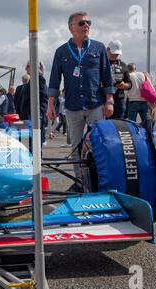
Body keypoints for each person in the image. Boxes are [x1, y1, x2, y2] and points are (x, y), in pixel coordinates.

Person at [47, 11, 114, 192]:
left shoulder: (98, 48)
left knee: (98, 143)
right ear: (71, 28)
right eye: (82, 23)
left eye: (88, 23)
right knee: (76, 145)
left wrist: (110, 100)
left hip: (96, 104)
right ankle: (81, 181)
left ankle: (100, 179)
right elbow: (54, 79)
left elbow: (107, 76)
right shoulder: (61, 52)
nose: (86, 26)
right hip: (73, 106)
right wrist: (51, 104)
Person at [19, 61, 48, 148]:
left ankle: (36, 158)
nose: (25, 68)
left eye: (27, 66)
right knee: (32, 139)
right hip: (31, 113)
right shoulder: (34, 79)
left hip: (34, 114)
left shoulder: (39, 80)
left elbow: (42, 97)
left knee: (34, 138)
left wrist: (35, 111)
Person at [107, 40, 132, 119]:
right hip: (103, 100)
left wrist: (124, 85)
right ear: (108, 50)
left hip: (119, 100)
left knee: (118, 126)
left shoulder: (123, 65)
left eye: (117, 53)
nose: (115, 55)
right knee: (104, 126)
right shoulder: (101, 63)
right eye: (114, 53)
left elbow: (130, 83)